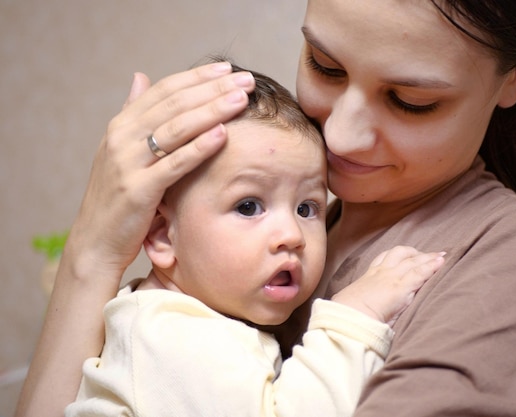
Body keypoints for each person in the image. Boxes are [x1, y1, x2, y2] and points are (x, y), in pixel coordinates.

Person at [17, 1, 516, 417]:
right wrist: (94, 251)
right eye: (325, 67)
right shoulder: (197, 300)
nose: (342, 139)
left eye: (411, 101)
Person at [63, 62, 445, 417]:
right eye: (248, 206)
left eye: (307, 208)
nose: (292, 236)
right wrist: (356, 315)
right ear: (163, 236)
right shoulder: (168, 336)